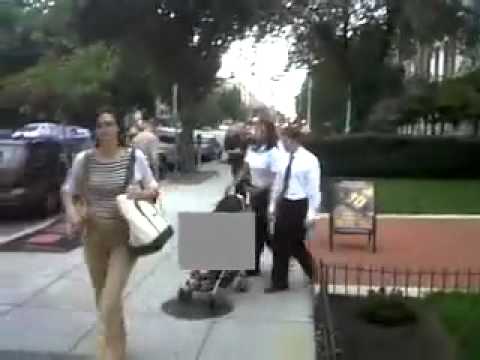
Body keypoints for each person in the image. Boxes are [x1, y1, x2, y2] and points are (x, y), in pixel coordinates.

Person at [61, 107, 160, 360]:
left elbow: (153, 187)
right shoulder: (84, 159)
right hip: (93, 236)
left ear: (118, 128)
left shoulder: (133, 157)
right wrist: (72, 213)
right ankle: (119, 346)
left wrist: (141, 193)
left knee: (109, 300)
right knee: (101, 296)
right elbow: (68, 189)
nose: (104, 129)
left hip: (123, 238)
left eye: (109, 124)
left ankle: (110, 353)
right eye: (100, 125)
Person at [265, 125, 320, 293]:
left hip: (299, 204)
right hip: (284, 203)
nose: (284, 143)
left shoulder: (309, 160)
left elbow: (313, 190)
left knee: (295, 244)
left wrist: (311, 214)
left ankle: (313, 273)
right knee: (280, 243)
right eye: (282, 140)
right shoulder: (283, 158)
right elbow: (278, 183)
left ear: (294, 140)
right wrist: (273, 205)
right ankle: (279, 282)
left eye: (286, 140)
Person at [235, 119, 282, 276]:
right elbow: (245, 168)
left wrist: (260, 190)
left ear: (268, 133)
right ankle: (257, 264)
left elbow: (276, 179)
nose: (257, 132)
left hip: (267, 194)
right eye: (256, 129)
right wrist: (235, 182)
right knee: (258, 231)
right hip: (253, 192)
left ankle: (274, 260)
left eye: (261, 130)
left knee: (260, 231)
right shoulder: (253, 149)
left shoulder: (274, 152)